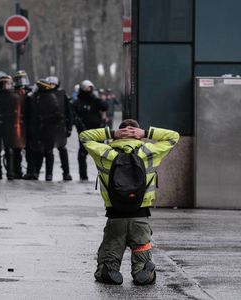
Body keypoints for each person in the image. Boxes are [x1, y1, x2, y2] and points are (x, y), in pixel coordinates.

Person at [79, 119, 180, 285]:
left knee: (110, 249)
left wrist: (111, 134)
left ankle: (108, 270)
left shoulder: (105, 153)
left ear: (119, 135)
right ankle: (142, 270)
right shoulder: (149, 152)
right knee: (141, 247)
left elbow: (84, 136)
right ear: (138, 135)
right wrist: (146, 133)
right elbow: (173, 137)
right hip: (140, 215)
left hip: (115, 215)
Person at [73, 80, 108, 181]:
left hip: (97, 131)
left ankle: (103, 174)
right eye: (87, 88)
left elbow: (105, 107)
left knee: (101, 154)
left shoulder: (95, 100)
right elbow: (74, 115)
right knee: (82, 154)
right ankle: (83, 175)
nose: (89, 90)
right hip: (84, 131)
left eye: (90, 88)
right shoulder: (78, 101)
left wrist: (98, 99)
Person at [0, 75, 26, 180]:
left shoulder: (14, 96)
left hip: (10, 125)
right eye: (7, 83)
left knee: (9, 149)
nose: (9, 85)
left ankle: (10, 172)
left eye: (10, 83)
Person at [45, 76, 73, 181]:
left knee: (62, 150)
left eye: (53, 84)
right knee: (48, 151)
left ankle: (66, 173)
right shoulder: (45, 95)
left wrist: (69, 127)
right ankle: (49, 174)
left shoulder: (62, 95)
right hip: (49, 127)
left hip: (60, 127)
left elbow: (69, 113)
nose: (52, 86)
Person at [13, 70, 31, 179]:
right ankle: (17, 170)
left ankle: (30, 171)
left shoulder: (30, 92)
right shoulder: (14, 93)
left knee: (29, 150)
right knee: (17, 149)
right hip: (17, 124)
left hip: (28, 125)